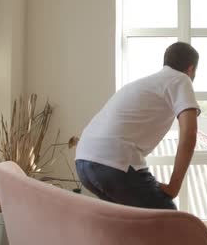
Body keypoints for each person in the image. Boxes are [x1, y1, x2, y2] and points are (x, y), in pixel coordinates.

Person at [75, 42, 200, 210]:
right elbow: (190, 132)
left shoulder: (146, 83)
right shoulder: (181, 79)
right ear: (191, 69)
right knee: (171, 219)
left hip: (84, 161)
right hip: (113, 162)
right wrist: (174, 186)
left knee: (130, 220)